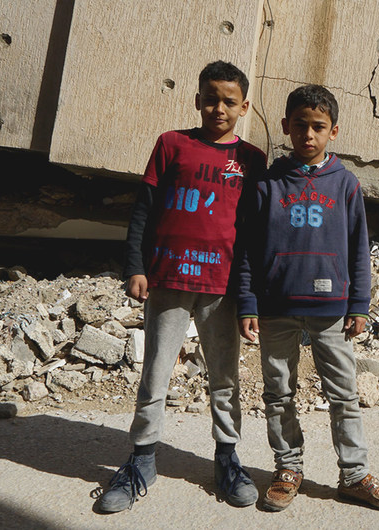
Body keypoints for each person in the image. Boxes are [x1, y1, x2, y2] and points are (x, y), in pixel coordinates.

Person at [96, 60, 267, 513]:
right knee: (155, 372)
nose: (219, 107)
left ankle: (227, 459)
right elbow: (143, 212)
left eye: (229, 101)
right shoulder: (172, 144)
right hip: (168, 280)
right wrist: (135, 265)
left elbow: (250, 233)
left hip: (222, 288)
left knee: (224, 379)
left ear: (244, 106)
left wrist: (249, 296)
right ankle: (141, 460)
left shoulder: (251, 160)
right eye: (210, 98)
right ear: (197, 100)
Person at [233, 84, 379, 513]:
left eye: (318, 127)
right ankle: (288, 468)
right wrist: (248, 301)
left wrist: (359, 304)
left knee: (344, 395)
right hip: (276, 309)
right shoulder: (267, 184)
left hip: (332, 312)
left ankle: (354, 475)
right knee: (278, 392)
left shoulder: (345, 184)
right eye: (299, 126)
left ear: (333, 132)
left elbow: (357, 248)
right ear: (285, 127)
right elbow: (248, 250)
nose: (307, 135)